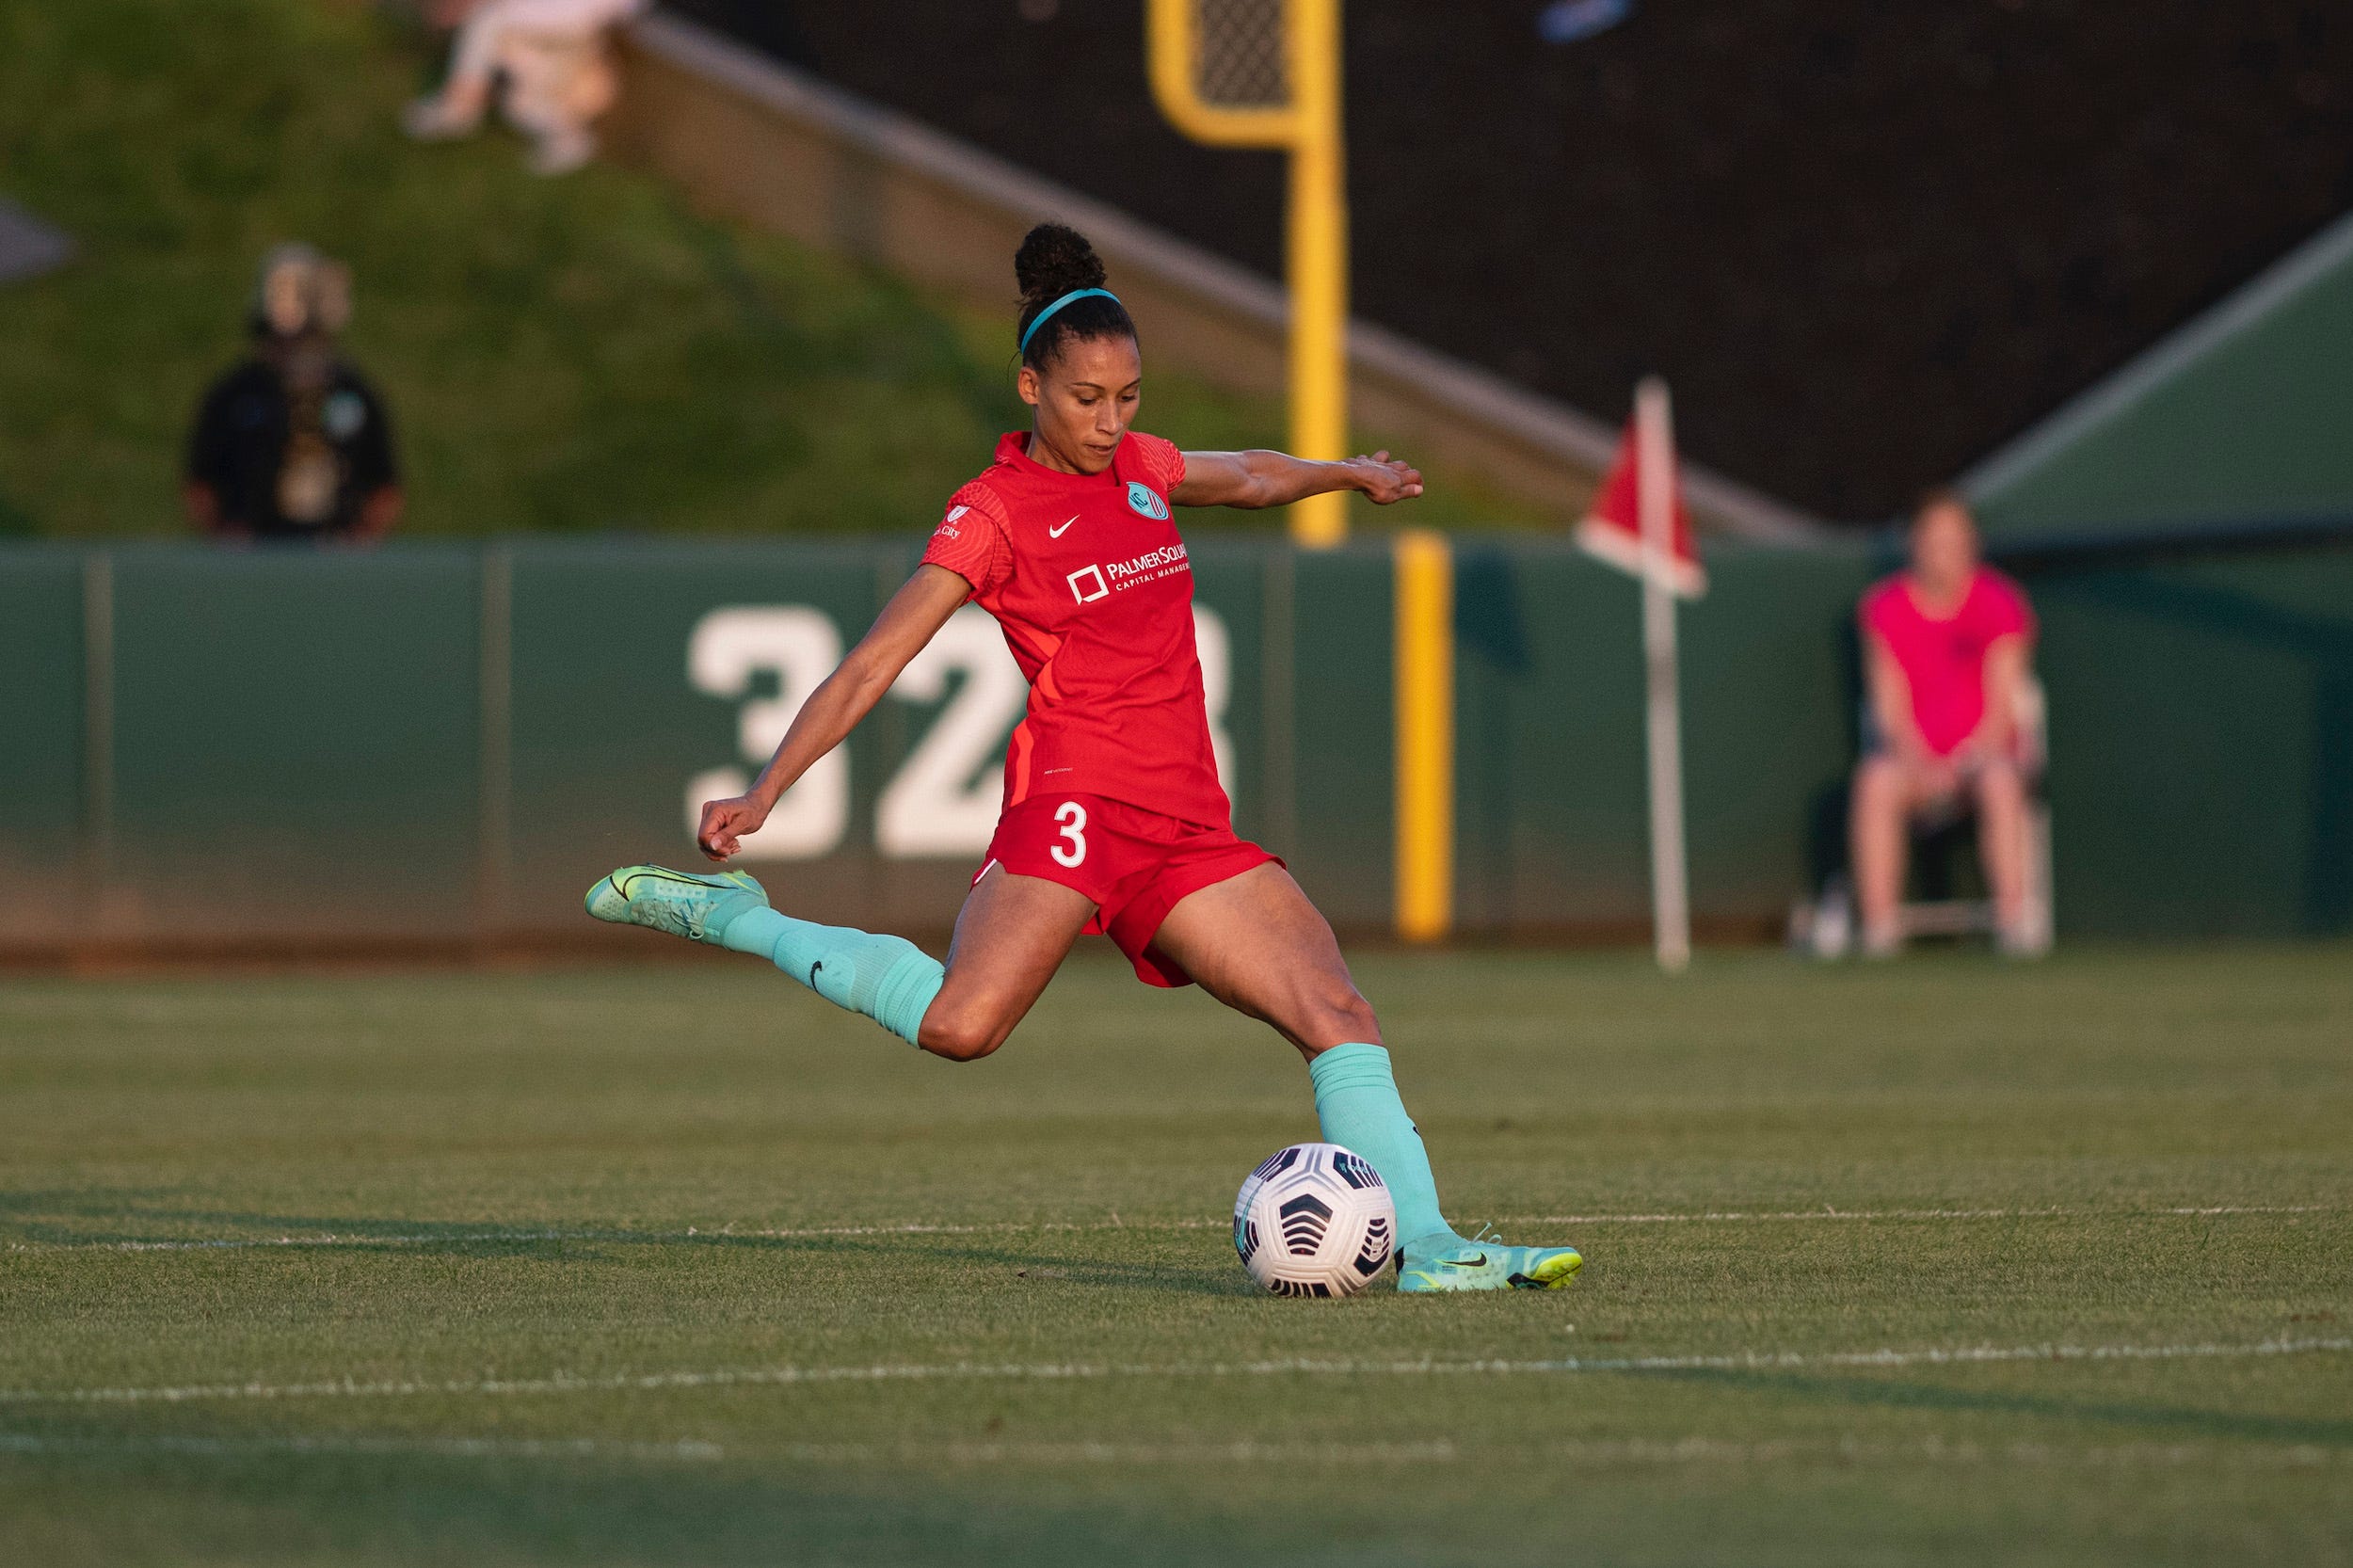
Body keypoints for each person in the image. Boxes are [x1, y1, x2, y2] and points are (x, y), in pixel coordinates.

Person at [587, 223, 1582, 1293]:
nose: (1110, 423)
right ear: (1029, 385)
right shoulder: (992, 513)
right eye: (1085, 398)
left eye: (1129, 396)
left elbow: (1245, 474)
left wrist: (1345, 473)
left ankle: (1430, 1246)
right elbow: (876, 661)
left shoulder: (1144, 473)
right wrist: (767, 788)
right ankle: (738, 915)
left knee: (1335, 1012)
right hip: (1073, 807)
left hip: (1186, 826)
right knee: (962, 1026)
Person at [1849, 489, 2041, 957]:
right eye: (1935, 540)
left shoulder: (1999, 602)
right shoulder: (1885, 608)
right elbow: (1888, 706)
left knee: (1999, 782)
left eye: (1956, 540)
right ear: (1914, 543)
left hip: (1983, 760)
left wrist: (1968, 759)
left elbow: (2003, 706)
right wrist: (1920, 762)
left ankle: (2014, 925)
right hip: (1913, 764)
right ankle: (1878, 931)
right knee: (1875, 782)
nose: (1945, 552)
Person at [184, 246, 402, 545]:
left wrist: (361, 539)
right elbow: (200, 480)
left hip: (334, 555)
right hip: (254, 555)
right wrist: (226, 537)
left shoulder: (353, 392)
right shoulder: (235, 393)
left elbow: (384, 483)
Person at [403, 0, 648, 176]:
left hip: (566, 42)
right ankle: (460, 105)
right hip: (550, 40)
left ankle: (460, 106)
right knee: (490, 28)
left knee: (521, 103)